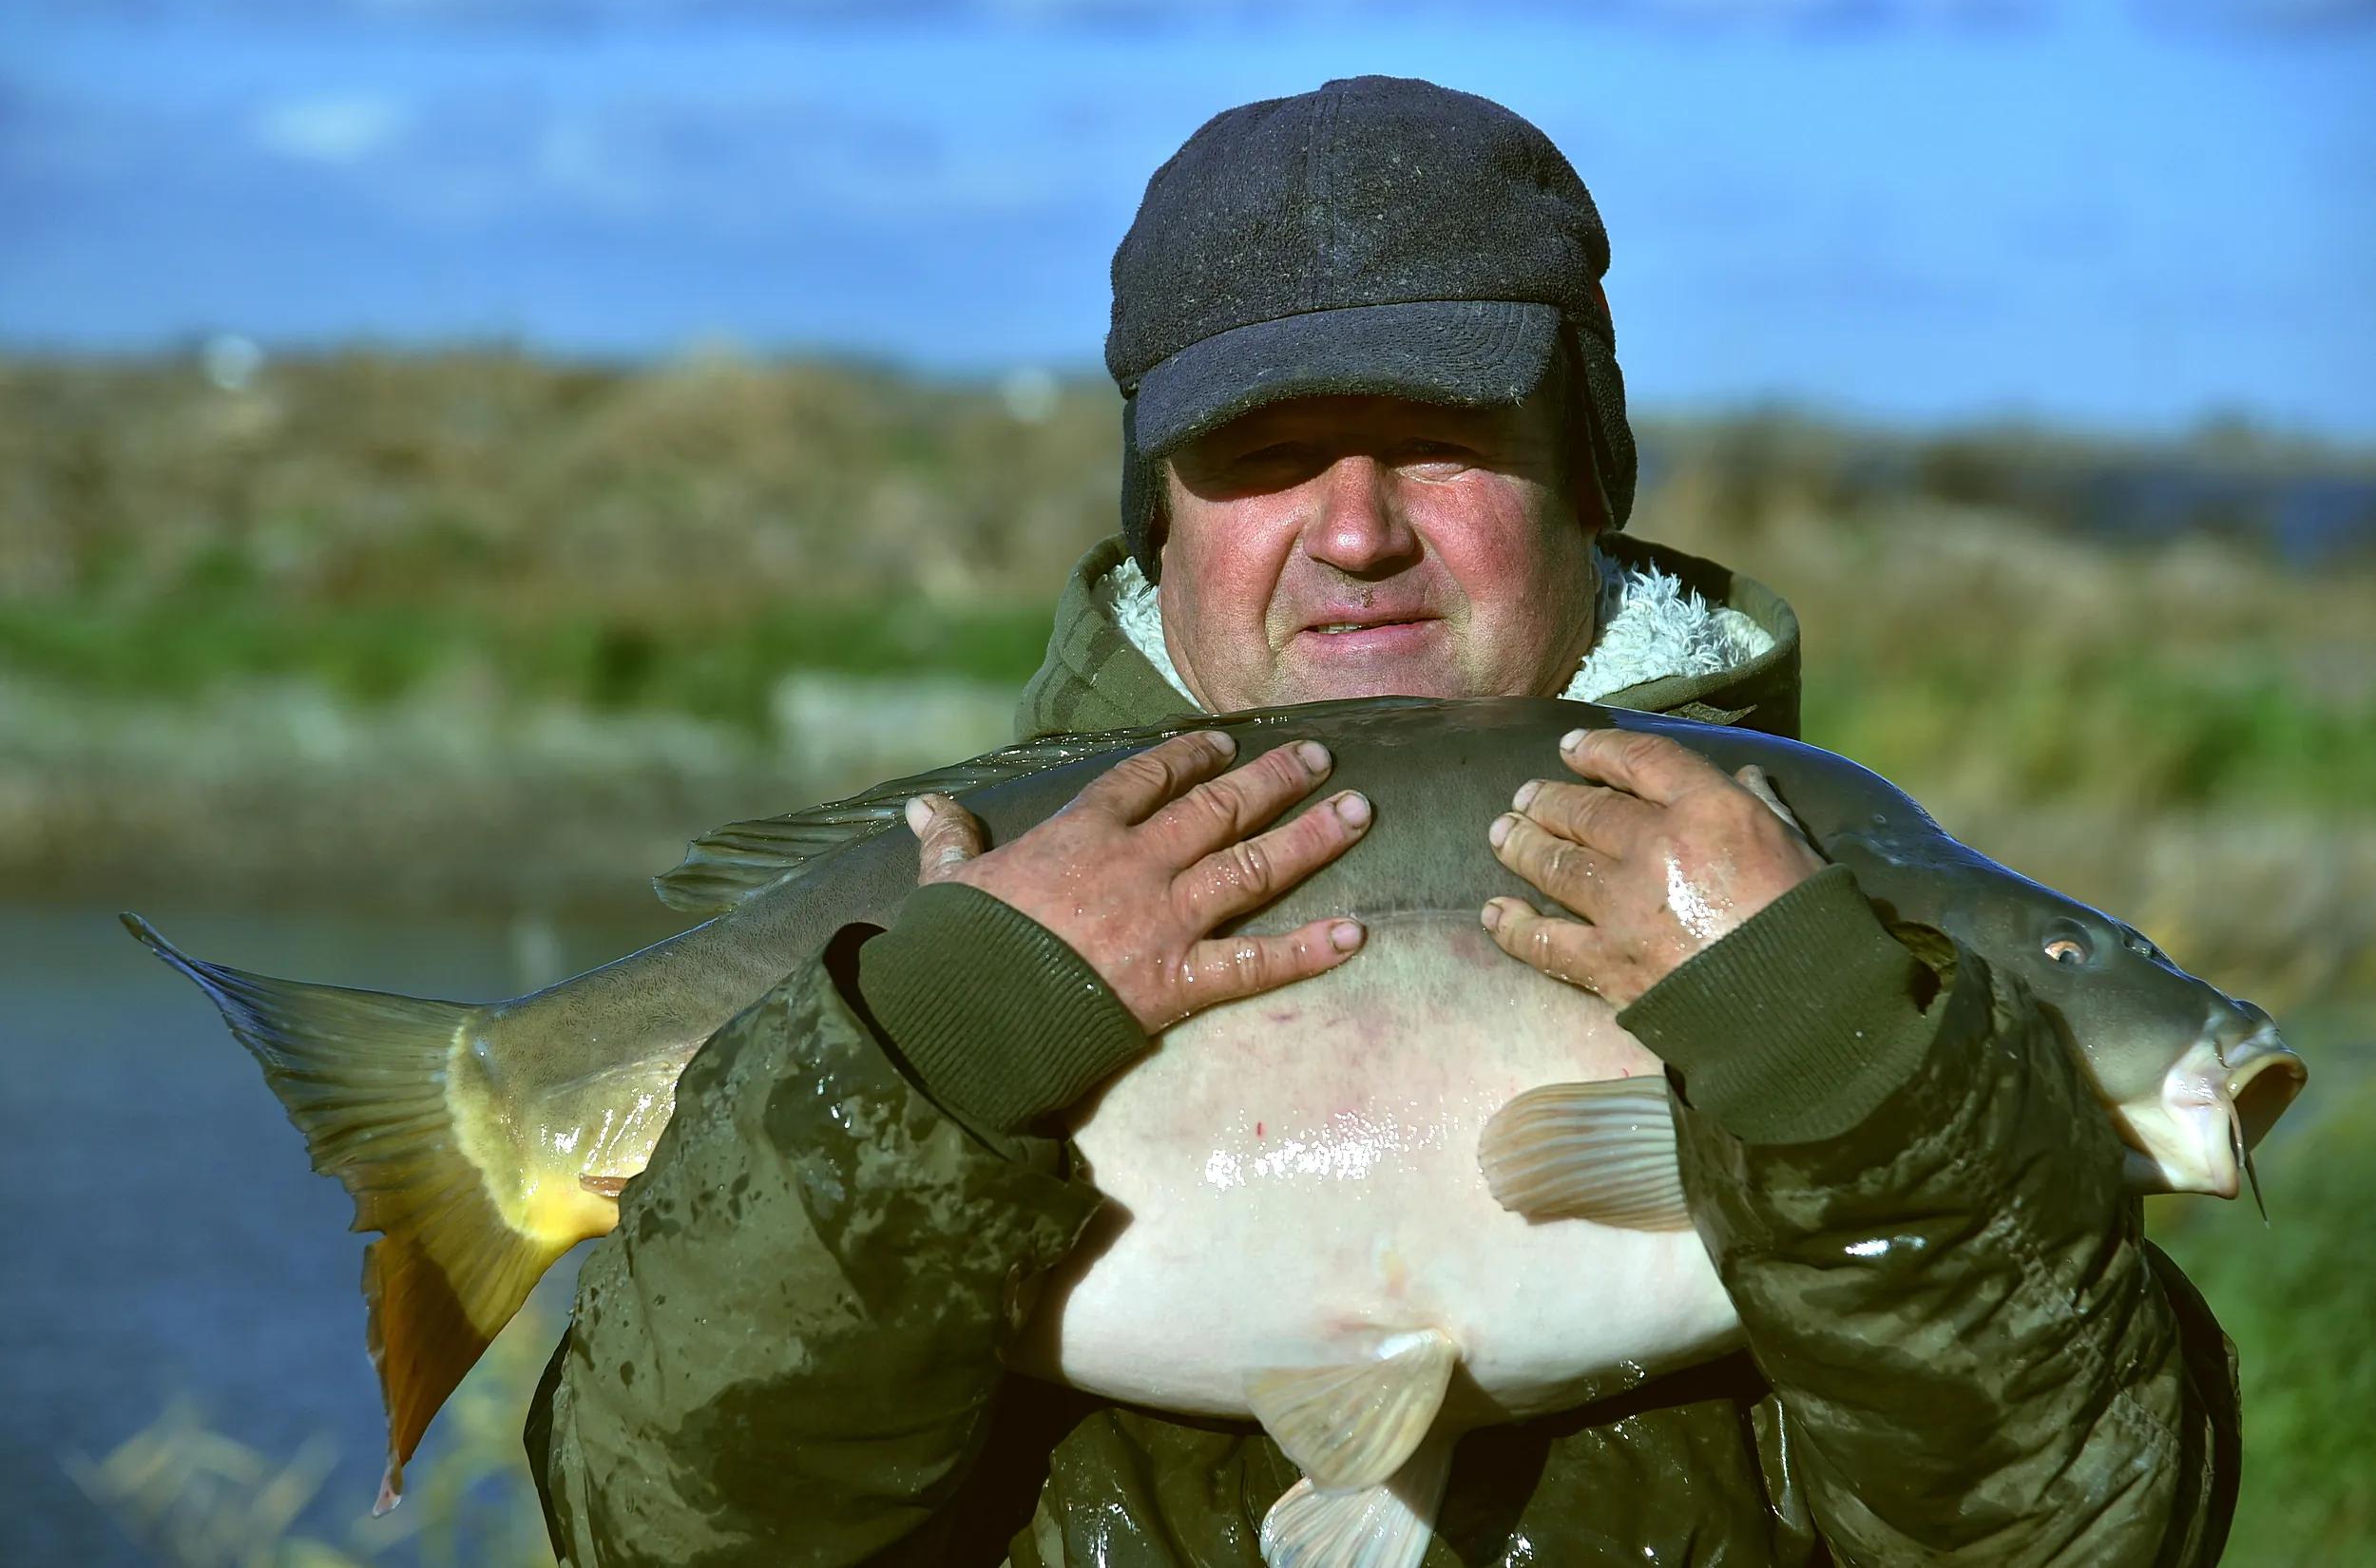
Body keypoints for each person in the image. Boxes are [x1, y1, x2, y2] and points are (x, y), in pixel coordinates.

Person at [527, 77, 2238, 1565]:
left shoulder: (1848, 913)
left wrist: (1844, 1086)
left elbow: (2084, 1530)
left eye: (1440, 441)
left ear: (1586, 479)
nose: (1356, 533)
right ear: (1160, 523)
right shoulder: (952, 884)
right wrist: (937, 1051)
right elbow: (669, 1532)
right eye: (1266, 455)